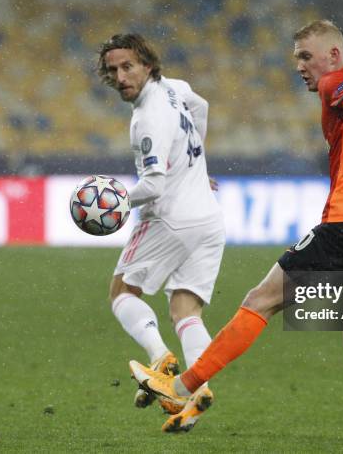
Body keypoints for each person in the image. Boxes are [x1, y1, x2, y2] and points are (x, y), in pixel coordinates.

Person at [129, 20, 343, 445]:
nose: (299, 65)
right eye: (297, 56)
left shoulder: (342, 79)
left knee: (260, 300)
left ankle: (181, 386)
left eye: (305, 56)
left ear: (333, 54)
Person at [97, 34, 225, 413]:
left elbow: (153, 185)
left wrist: (114, 202)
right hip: (208, 219)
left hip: (170, 218)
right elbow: (200, 106)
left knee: (122, 293)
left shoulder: (147, 118)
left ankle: (159, 358)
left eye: (127, 66)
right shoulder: (174, 88)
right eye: (112, 70)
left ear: (147, 65)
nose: (120, 77)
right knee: (186, 311)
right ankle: (197, 392)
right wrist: (195, 163)